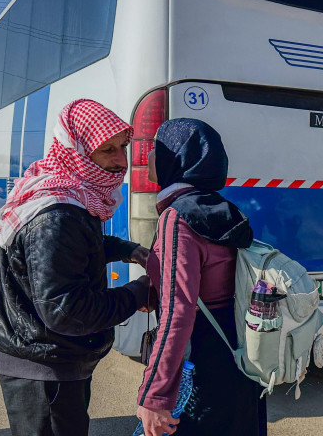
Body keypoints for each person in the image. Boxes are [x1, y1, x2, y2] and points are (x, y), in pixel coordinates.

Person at [0, 99, 152, 436]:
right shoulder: (57, 214)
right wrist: (139, 293)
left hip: (48, 359)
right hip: (44, 371)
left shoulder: (67, 194)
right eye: (107, 150)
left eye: (123, 147)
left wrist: (130, 250)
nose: (121, 161)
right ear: (78, 152)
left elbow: (73, 250)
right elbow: (66, 310)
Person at [135, 118, 267, 436]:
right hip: (240, 354)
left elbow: (178, 313)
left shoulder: (177, 218)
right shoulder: (225, 210)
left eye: (156, 149)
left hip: (202, 365)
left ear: (176, 159)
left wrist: (155, 396)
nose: (148, 156)